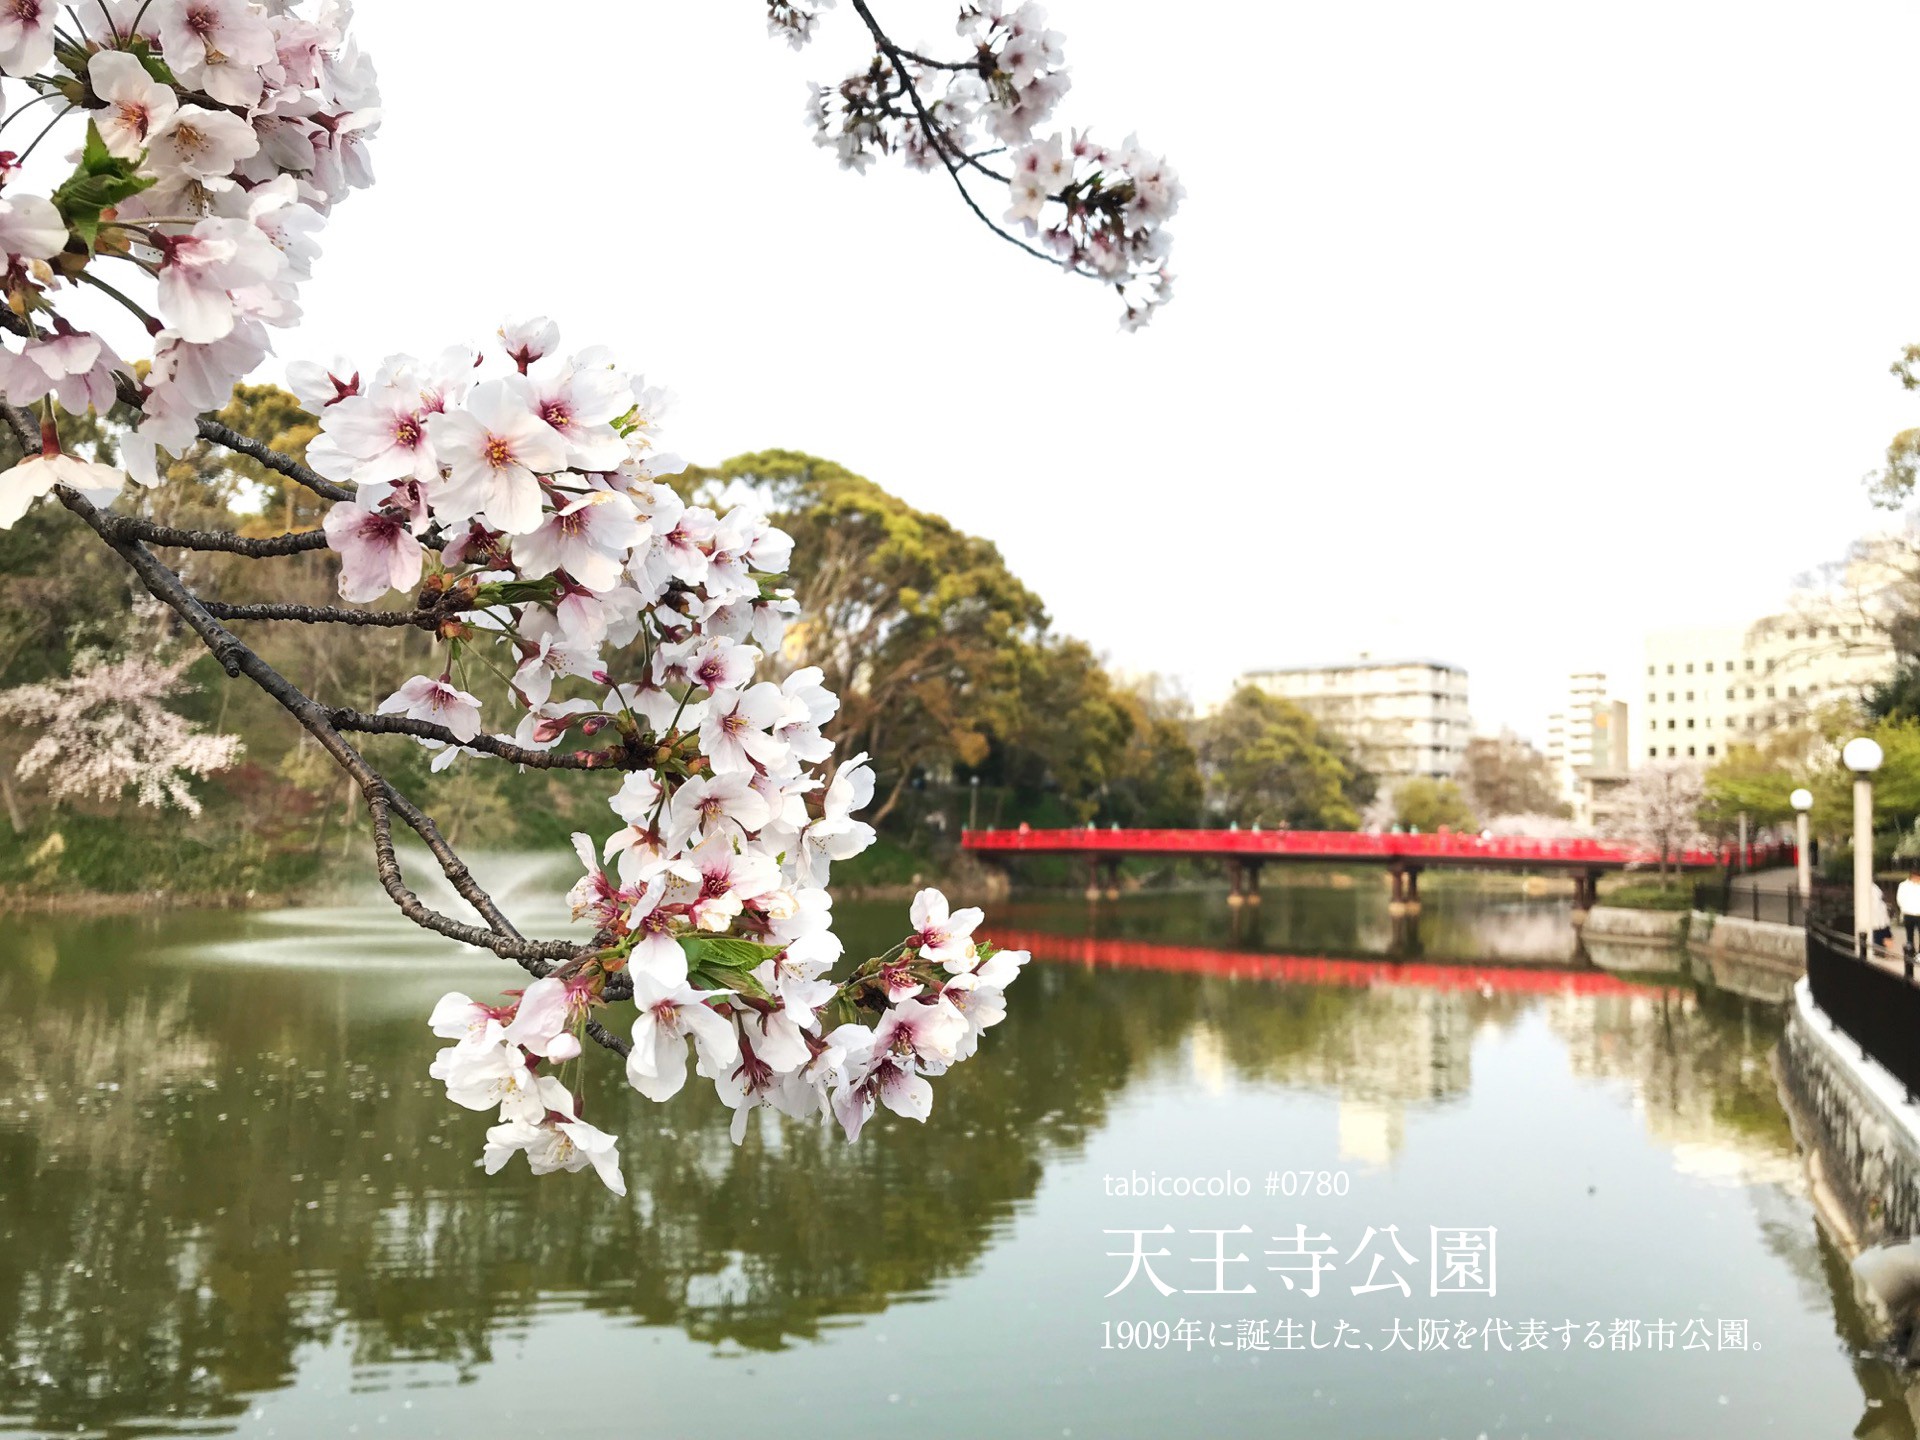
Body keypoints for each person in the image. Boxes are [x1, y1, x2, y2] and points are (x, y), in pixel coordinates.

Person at [1898, 869, 1920, 957]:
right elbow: (1900, 899)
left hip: (1919, 914)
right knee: (1909, 934)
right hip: (1908, 913)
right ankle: (1911, 952)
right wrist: (1904, 908)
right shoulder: (1903, 885)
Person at [1869, 883, 1895, 955]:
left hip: (1880, 916)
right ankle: (1882, 951)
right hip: (1877, 916)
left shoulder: (1874, 887)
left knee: (1884, 933)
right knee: (1881, 934)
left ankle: (1885, 951)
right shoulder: (1872, 888)